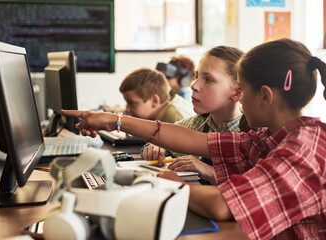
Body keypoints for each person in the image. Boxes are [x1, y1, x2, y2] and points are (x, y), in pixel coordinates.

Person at [62, 38, 326, 239]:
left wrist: (174, 185)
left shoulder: (305, 150)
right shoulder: (269, 137)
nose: (240, 97)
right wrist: (112, 120)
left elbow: (222, 207)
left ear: (266, 97)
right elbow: (191, 139)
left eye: (243, 90)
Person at [142, 46, 245, 185]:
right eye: (196, 76)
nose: (194, 85)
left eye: (208, 79)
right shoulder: (198, 123)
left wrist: (208, 170)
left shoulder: (251, 134)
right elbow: (157, 140)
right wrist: (158, 148)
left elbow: (250, 188)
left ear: (236, 93)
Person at [119, 67, 194, 123]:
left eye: (131, 103)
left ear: (155, 101)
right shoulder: (160, 112)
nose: (127, 109)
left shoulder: (176, 117)